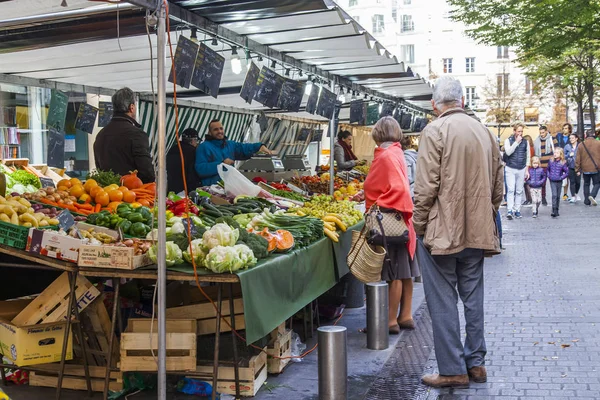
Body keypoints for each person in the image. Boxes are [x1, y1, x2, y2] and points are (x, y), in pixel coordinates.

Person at [414, 76, 503, 388]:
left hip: (442, 232)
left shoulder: (434, 130)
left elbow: (425, 188)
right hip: (477, 231)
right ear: (462, 101)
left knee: (442, 298)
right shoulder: (485, 132)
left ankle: (452, 369)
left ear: (434, 104)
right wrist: (486, 216)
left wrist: (418, 225)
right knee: (473, 296)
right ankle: (476, 364)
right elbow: (498, 187)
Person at [363, 116, 419, 334]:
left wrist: (378, 204)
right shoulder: (396, 151)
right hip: (401, 222)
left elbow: (399, 190)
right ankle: (405, 315)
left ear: (378, 132)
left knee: (392, 271)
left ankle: (389, 321)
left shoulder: (385, 155)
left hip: (388, 223)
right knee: (404, 270)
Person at [94, 87, 155, 183]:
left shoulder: (100, 135)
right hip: (134, 194)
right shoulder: (136, 134)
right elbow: (147, 172)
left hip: (106, 194)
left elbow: (99, 168)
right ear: (131, 107)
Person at [195, 119, 273, 186]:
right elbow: (200, 169)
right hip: (211, 188)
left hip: (229, 186)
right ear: (209, 132)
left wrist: (259, 146)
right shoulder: (203, 147)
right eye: (215, 129)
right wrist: (221, 164)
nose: (219, 131)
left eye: (221, 128)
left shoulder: (230, 145)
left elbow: (244, 148)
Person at [503, 122, 531, 220]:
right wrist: (516, 143)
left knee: (519, 191)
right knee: (510, 190)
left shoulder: (525, 142)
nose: (520, 133)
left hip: (521, 168)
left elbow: (528, 156)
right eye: (518, 131)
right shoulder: (508, 140)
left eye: (521, 131)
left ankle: (517, 210)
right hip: (510, 167)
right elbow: (508, 152)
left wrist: (527, 170)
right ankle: (510, 210)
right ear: (514, 131)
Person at [166, 128, 202, 194]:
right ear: (192, 140)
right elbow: (192, 174)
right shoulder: (193, 152)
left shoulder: (172, 149)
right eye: (196, 141)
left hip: (171, 188)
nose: (196, 143)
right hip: (186, 190)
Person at [575, 130, 600, 206]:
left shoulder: (581, 144)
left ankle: (586, 200)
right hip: (596, 167)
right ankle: (592, 195)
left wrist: (577, 169)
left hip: (585, 168)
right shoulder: (598, 143)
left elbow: (577, 158)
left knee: (586, 184)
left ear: (586, 135)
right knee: (597, 183)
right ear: (594, 135)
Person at [534, 125, 557, 206]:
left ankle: (555, 197)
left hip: (551, 165)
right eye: (540, 133)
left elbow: (556, 150)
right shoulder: (537, 141)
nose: (542, 134)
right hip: (541, 165)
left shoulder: (552, 139)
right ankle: (543, 198)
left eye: (543, 132)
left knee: (553, 181)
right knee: (542, 183)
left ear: (546, 131)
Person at [547, 148, 569, 217]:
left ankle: (557, 208)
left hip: (559, 180)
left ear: (560, 154)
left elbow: (567, 172)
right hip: (552, 180)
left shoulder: (562, 162)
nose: (555, 154)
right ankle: (553, 209)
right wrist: (549, 176)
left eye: (557, 153)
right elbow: (548, 169)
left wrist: (561, 177)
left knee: (558, 195)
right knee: (554, 195)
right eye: (555, 152)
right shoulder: (551, 161)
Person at [564, 133, 581, 203]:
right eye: (570, 138)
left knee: (578, 182)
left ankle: (576, 193)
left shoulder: (580, 146)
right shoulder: (567, 146)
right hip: (570, 166)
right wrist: (568, 155)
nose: (571, 140)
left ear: (576, 138)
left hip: (578, 166)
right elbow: (564, 156)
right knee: (572, 182)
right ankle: (573, 196)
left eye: (572, 138)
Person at [557, 123, 572, 200]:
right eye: (563, 128)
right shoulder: (559, 136)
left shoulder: (571, 137)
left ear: (569, 129)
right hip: (559, 158)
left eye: (566, 128)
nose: (564, 130)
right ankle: (558, 192)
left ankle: (565, 194)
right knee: (559, 176)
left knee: (567, 177)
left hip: (568, 159)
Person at [522, 135, 535, 205]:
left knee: (527, 184)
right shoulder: (532, 148)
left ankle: (530, 198)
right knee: (526, 184)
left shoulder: (529, 148)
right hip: (529, 166)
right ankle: (528, 199)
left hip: (528, 167)